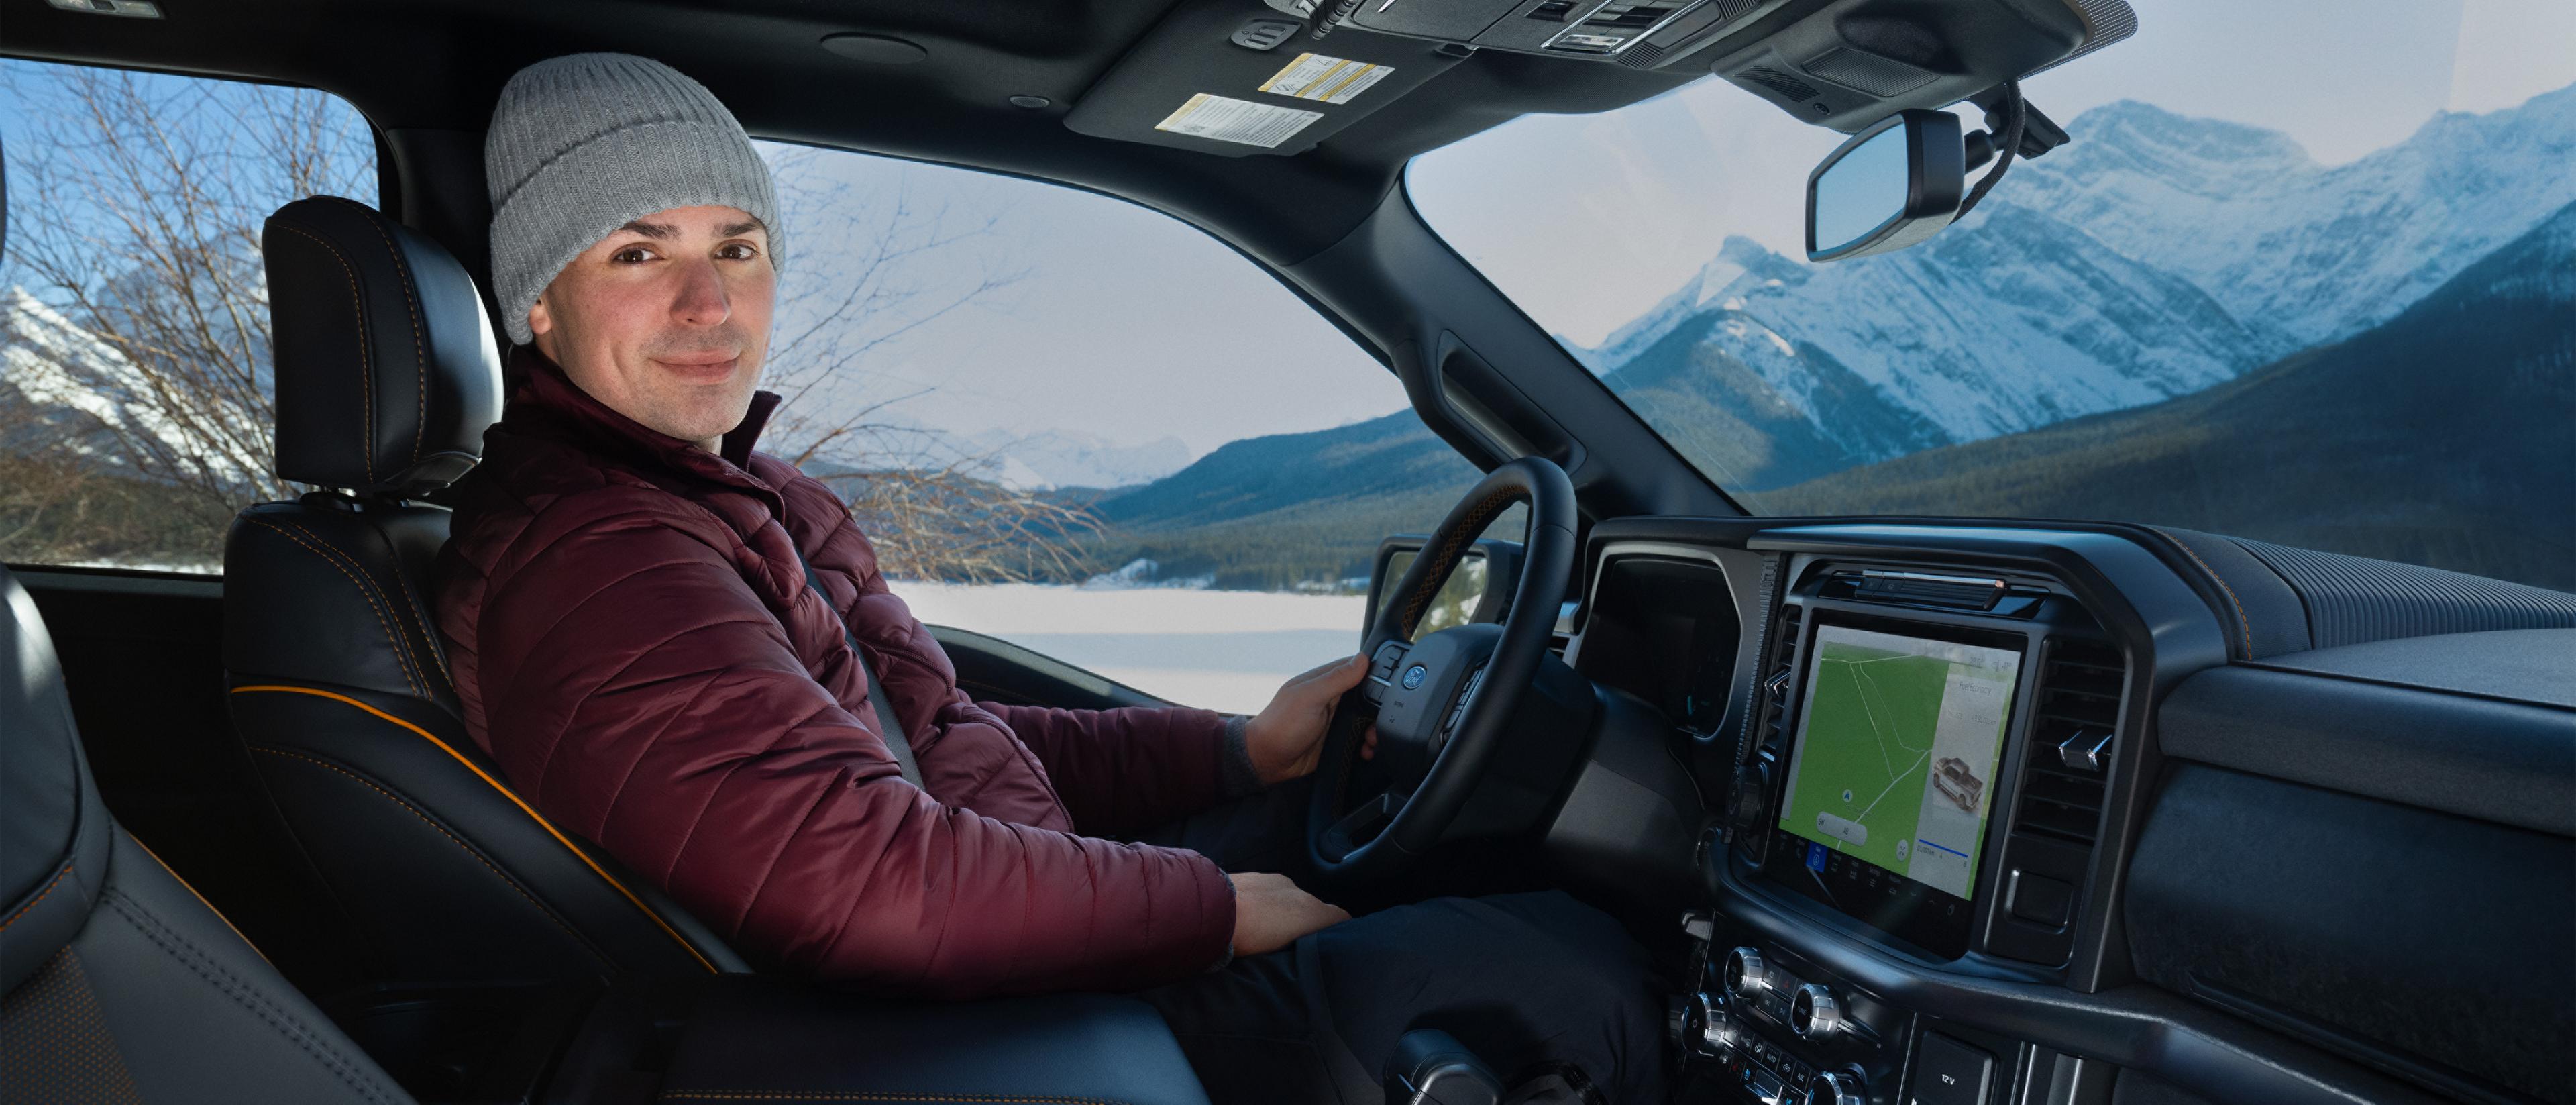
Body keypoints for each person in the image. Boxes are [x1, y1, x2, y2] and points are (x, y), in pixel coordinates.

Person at [432, 52, 1666, 1104]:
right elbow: (864, 879)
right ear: (539, 303)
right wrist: (1211, 909)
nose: (710, 303)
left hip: (992, 946)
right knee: (1564, 976)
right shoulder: (595, 559)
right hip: (941, 1029)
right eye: (638, 252)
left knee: (1406, 842)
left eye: (737, 247)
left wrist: (1239, 753)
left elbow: (940, 735)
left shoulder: (725, 495)